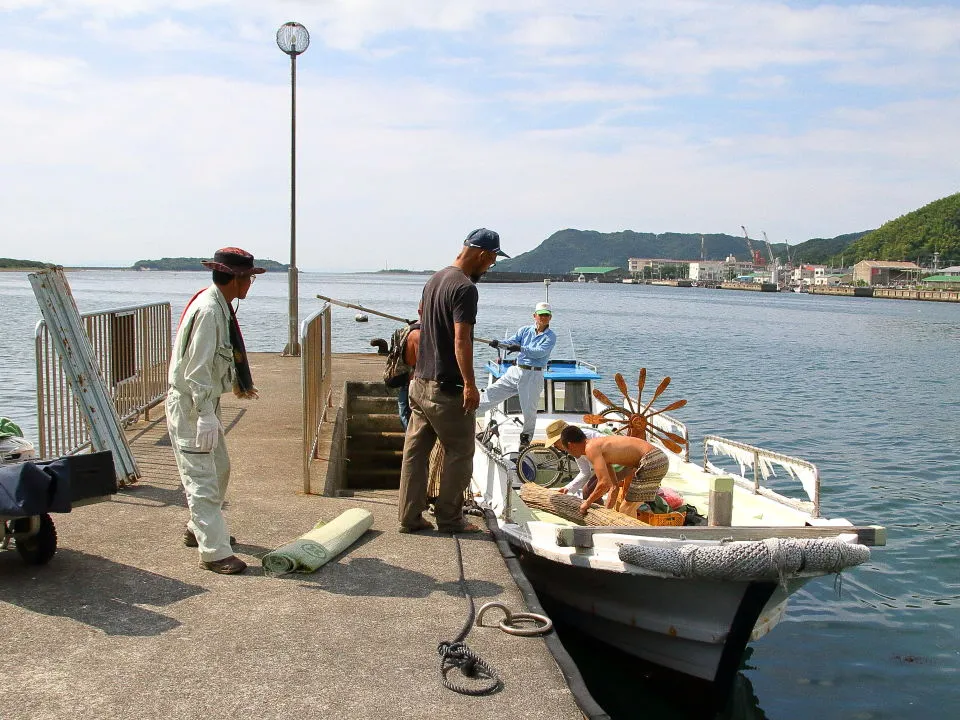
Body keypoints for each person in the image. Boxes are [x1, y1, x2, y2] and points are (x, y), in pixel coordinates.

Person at [397, 228, 507, 534]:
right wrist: (470, 384)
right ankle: (450, 518)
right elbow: (462, 340)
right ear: (484, 255)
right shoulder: (465, 288)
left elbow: (422, 318)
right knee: (460, 451)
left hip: (419, 382)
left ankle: (409, 517)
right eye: (492, 261)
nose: (489, 267)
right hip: (446, 387)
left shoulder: (435, 279)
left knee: (415, 452)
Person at [166, 247, 264, 575]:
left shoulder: (219, 306)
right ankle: (214, 552)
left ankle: (199, 527)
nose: (250, 284)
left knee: (219, 467)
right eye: (248, 278)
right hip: (193, 404)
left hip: (203, 402)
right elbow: (196, 370)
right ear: (235, 280)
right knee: (202, 478)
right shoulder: (210, 311)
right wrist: (205, 413)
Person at [476, 301, 556, 447]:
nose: (544, 318)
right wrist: (498, 343)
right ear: (535, 316)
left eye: (547, 315)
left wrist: (521, 348)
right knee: (492, 392)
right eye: (541, 315)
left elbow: (540, 353)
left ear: (550, 318)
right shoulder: (525, 330)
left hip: (533, 375)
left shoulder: (550, 337)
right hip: (516, 370)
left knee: (529, 410)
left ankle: (525, 439)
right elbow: (510, 342)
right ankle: (469, 413)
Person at [556, 425, 670, 519]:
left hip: (652, 460)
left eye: (566, 450)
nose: (568, 453)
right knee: (629, 509)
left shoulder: (590, 448)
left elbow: (603, 483)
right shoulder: (597, 445)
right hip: (657, 458)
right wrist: (608, 508)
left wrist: (587, 503)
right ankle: (633, 536)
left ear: (570, 445)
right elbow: (611, 484)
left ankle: (628, 541)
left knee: (625, 509)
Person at [396, 320, 421, 430]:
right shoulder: (423, 333)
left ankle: (409, 435)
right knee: (408, 411)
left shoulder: (410, 332)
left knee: (404, 410)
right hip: (416, 379)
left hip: (410, 378)